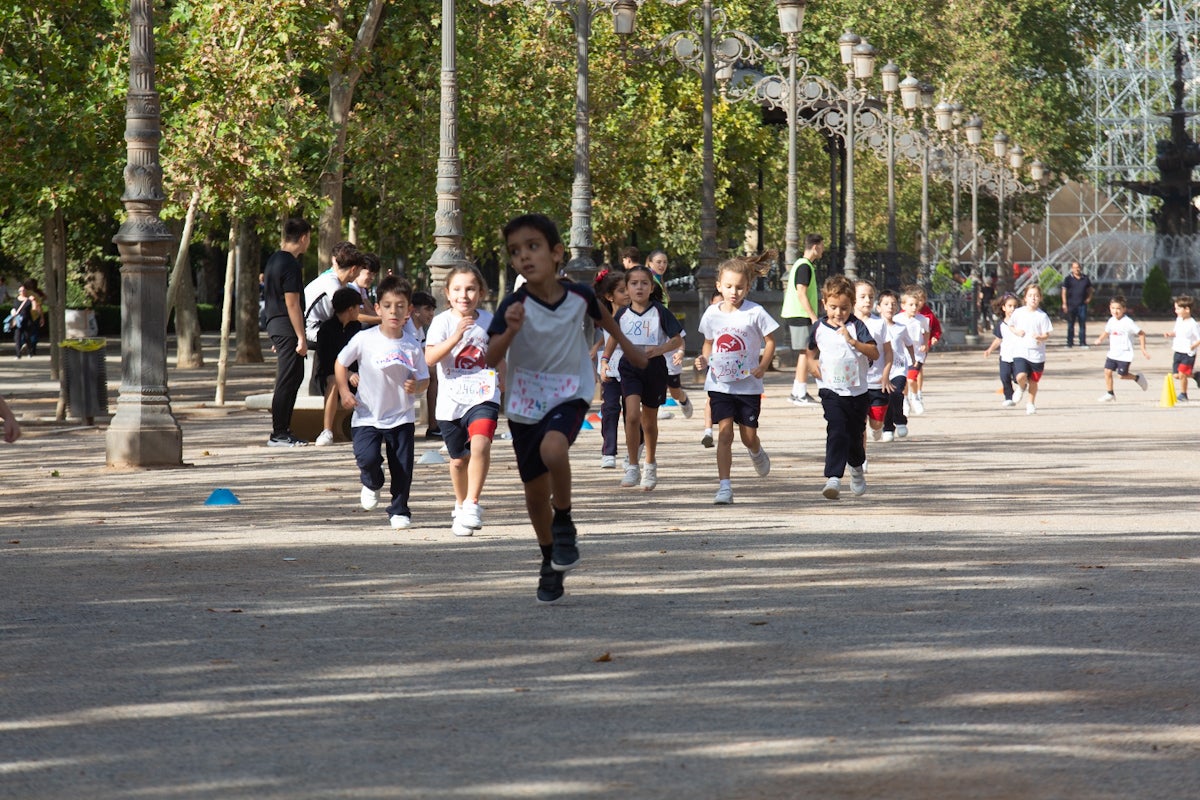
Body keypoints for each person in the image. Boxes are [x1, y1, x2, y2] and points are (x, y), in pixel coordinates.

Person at [486, 213, 645, 604]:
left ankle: (566, 521)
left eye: (533, 247)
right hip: (525, 400)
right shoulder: (513, 304)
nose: (524, 256)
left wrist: (631, 351)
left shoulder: (581, 295)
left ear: (557, 253)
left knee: (554, 449)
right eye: (515, 251)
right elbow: (489, 357)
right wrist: (510, 330)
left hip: (570, 389)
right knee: (534, 494)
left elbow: (608, 322)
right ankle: (548, 558)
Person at [335, 274, 429, 530]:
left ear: (409, 310)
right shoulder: (364, 339)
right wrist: (344, 391)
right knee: (366, 458)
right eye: (387, 306)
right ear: (377, 308)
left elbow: (425, 379)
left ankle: (399, 509)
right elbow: (341, 363)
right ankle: (372, 481)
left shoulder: (412, 345)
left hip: (401, 416)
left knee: (402, 468)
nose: (394, 312)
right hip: (366, 415)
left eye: (400, 306)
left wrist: (417, 386)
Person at [694, 252, 777, 505]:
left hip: (749, 385)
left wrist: (763, 365)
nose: (734, 292)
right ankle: (725, 487)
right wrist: (704, 359)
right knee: (725, 433)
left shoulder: (756, 312)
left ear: (748, 287)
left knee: (747, 436)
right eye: (728, 286)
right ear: (719, 285)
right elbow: (709, 343)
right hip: (720, 383)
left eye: (740, 287)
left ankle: (756, 450)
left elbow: (771, 340)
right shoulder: (712, 313)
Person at [425, 265, 502, 537]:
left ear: (480, 292)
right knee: (459, 460)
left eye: (470, 288)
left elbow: (499, 357)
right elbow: (430, 358)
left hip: (483, 395)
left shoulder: (491, 321)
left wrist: (507, 385)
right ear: (448, 293)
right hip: (451, 400)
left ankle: (472, 503)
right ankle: (459, 503)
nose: (464, 295)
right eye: (457, 289)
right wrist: (457, 335)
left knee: (480, 444)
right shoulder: (441, 322)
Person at [603, 264, 683, 491]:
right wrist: (604, 360)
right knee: (630, 415)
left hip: (654, 366)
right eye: (634, 283)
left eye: (644, 283)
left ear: (651, 287)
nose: (639, 287)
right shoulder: (621, 314)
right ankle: (632, 465)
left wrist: (657, 350)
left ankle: (650, 464)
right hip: (629, 366)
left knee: (649, 421)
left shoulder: (660, 312)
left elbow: (677, 340)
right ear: (627, 288)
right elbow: (613, 338)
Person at [809, 275, 878, 499]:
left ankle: (857, 469)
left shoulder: (858, 326)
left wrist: (853, 342)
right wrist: (811, 365)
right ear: (824, 304)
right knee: (836, 429)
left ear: (852, 306)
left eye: (844, 308)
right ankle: (833, 478)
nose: (838, 313)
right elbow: (809, 351)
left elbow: (874, 352)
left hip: (857, 392)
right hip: (831, 390)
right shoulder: (819, 326)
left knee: (854, 435)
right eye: (833, 307)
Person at [262, 217, 312, 447]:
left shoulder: (274, 259)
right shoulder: (291, 264)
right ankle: (278, 432)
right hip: (286, 324)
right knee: (287, 378)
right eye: (309, 238)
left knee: (296, 376)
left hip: (278, 324)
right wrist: (300, 336)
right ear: (303, 238)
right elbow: (292, 303)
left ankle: (284, 429)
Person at [305, 241, 365, 395]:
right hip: (312, 331)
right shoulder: (332, 283)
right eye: (359, 271)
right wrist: (381, 321)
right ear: (353, 269)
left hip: (326, 327)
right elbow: (348, 312)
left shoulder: (344, 285)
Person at [314, 287, 363, 446]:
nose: (359, 311)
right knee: (335, 381)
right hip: (328, 377)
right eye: (358, 307)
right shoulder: (326, 329)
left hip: (354, 378)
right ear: (350, 308)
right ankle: (327, 431)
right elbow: (326, 362)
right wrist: (347, 373)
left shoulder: (357, 328)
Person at [593, 269, 629, 469]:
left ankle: (635, 448)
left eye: (628, 289)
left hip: (632, 372)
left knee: (632, 413)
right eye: (621, 290)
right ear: (609, 296)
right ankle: (608, 451)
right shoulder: (605, 317)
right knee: (609, 409)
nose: (627, 294)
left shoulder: (635, 314)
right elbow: (606, 338)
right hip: (611, 371)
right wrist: (600, 356)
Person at [783, 234, 823, 406]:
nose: (822, 250)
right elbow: (801, 292)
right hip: (800, 314)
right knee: (805, 352)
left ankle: (799, 391)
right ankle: (799, 393)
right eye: (821, 246)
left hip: (800, 313)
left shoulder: (804, 265)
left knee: (806, 352)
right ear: (815, 247)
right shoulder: (804, 266)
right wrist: (813, 316)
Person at [854, 280, 893, 443]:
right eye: (862, 297)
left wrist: (885, 375)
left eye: (870, 297)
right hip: (857, 383)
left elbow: (889, 351)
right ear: (853, 299)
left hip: (877, 382)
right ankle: (861, 460)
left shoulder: (879, 323)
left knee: (876, 423)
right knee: (858, 425)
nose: (868, 300)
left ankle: (877, 428)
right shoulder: (848, 323)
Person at [1095, 295, 1150, 402]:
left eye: (1118, 308)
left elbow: (1142, 333)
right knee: (1107, 371)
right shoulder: (1111, 320)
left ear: (1124, 309)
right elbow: (1106, 331)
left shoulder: (1128, 322)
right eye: (1113, 308)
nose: (1115, 311)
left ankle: (1137, 378)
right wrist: (1100, 339)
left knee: (1122, 375)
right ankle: (1110, 393)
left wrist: (1143, 349)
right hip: (1113, 353)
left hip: (1125, 354)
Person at [1009, 284, 1053, 415]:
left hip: (1037, 354)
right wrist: (1017, 332)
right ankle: (1021, 386)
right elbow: (1011, 325)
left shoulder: (1042, 316)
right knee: (1020, 375)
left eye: (1036, 296)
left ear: (1040, 298)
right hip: (1021, 351)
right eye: (1030, 295)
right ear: (1025, 298)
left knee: (1033, 381)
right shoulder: (1018, 312)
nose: (1033, 298)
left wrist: (1041, 337)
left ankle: (1030, 403)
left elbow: (1047, 334)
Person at [877, 290, 915, 441]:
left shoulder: (901, 327)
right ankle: (888, 428)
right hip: (881, 368)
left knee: (897, 393)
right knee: (886, 398)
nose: (890, 307)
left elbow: (909, 344)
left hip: (898, 368)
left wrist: (913, 360)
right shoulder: (874, 326)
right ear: (879, 307)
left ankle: (900, 420)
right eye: (886, 304)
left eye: (893, 304)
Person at [893, 287, 931, 416]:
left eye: (916, 304)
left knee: (911, 379)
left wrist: (925, 343)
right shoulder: (897, 319)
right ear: (903, 305)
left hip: (917, 354)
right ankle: (904, 400)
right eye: (911, 305)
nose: (914, 307)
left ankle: (915, 397)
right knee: (903, 380)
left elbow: (927, 332)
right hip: (902, 354)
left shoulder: (922, 319)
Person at [408, 291, 441, 439]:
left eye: (433, 309)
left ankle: (434, 425)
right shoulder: (406, 326)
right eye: (427, 309)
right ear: (415, 311)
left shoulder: (419, 328)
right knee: (433, 374)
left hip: (413, 365)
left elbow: (424, 353)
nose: (431, 313)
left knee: (435, 373)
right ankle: (433, 425)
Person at [982, 293, 1020, 408]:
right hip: (1005, 356)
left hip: (1019, 356)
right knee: (1005, 377)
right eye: (1010, 306)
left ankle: (1021, 386)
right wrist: (989, 350)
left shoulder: (1021, 323)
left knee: (1018, 377)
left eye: (1015, 306)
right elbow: (998, 340)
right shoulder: (1001, 325)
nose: (1012, 308)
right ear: (1003, 308)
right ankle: (1009, 398)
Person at [1166, 295, 1200, 402]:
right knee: (1176, 375)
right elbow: (1177, 332)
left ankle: (1183, 394)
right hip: (1178, 351)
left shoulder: (1193, 324)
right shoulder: (1179, 320)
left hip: (1188, 353)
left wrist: (1193, 346)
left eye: (1178, 309)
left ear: (1187, 309)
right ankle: (1196, 375)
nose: (1176, 311)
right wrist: (1170, 334)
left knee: (1182, 374)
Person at [1060, 261, 1094, 348]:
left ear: (1080, 268)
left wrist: (1089, 298)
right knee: (1070, 325)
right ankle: (1069, 343)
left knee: (1082, 324)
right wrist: (1064, 303)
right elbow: (1064, 291)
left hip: (1082, 305)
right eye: (1074, 267)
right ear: (1072, 268)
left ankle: (1082, 343)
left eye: (1078, 267)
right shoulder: (1068, 279)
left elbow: (1090, 289)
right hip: (1071, 305)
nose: (1076, 269)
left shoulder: (1085, 278)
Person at [353, 252, 382, 328]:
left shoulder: (361, 289)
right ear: (358, 270)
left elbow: (369, 310)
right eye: (369, 274)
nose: (372, 278)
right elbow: (358, 316)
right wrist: (382, 320)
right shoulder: (351, 288)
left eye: (374, 275)